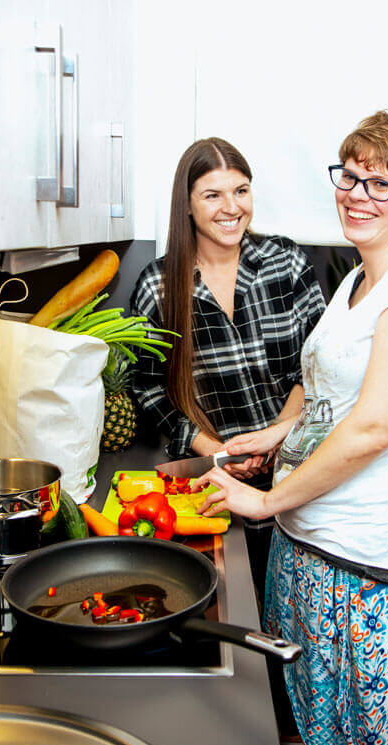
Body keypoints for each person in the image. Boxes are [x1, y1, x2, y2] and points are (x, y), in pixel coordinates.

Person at [198, 111, 388, 745]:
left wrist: (263, 502)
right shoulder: (358, 281)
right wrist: (275, 436)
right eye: (350, 176)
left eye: (383, 183)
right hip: (311, 551)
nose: (357, 193)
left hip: (371, 569)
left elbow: (373, 428)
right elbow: (327, 403)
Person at [128, 137, 326, 599]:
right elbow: (149, 390)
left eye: (241, 190)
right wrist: (218, 451)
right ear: (189, 206)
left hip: (295, 482)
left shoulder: (286, 262)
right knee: (232, 621)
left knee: (290, 629)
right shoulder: (158, 285)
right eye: (212, 195)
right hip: (210, 490)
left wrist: (278, 435)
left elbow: (316, 367)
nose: (231, 207)